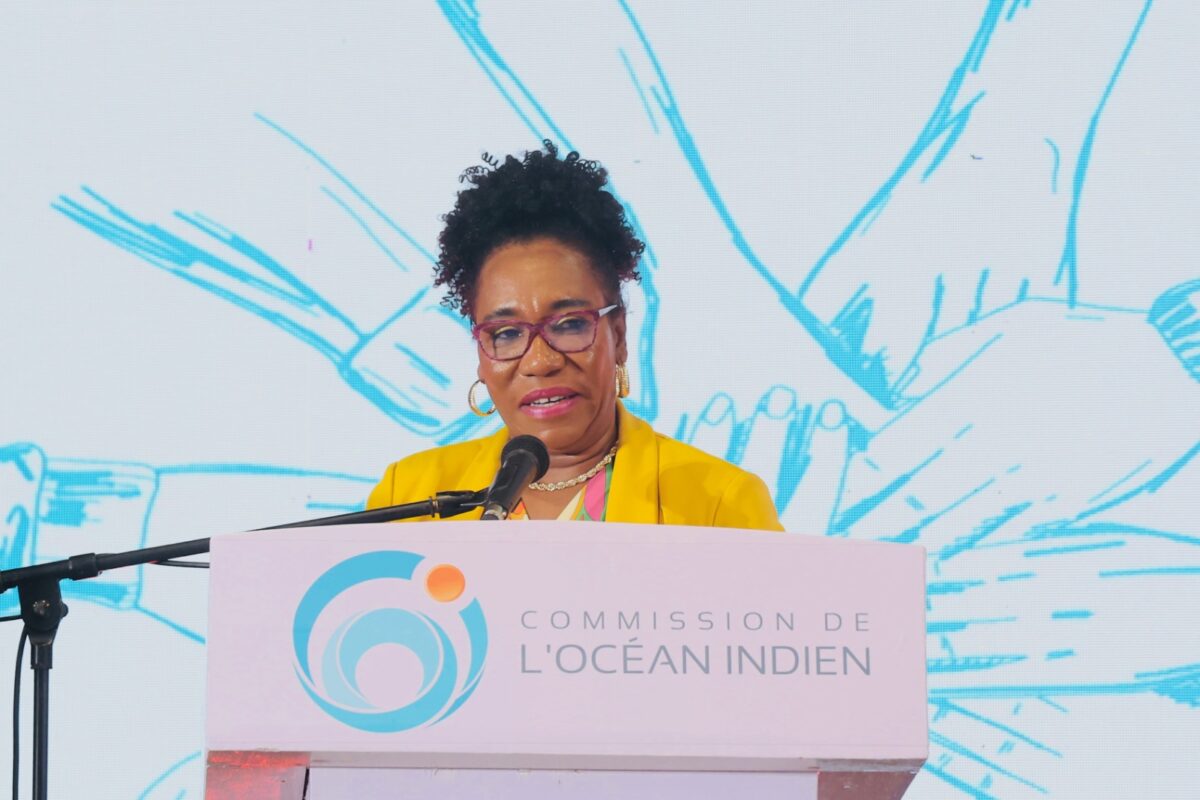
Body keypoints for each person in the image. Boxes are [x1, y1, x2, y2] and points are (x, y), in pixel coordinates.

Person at [366, 141, 782, 530]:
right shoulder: (410, 496)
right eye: (506, 333)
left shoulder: (719, 504)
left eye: (569, 324)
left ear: (618, 335)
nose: (540, 361)